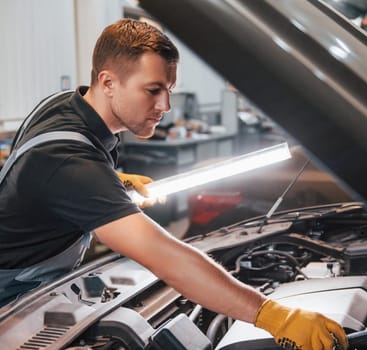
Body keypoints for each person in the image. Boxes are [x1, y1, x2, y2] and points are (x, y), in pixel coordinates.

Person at [0, 19, 348, 350]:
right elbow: (163, 255)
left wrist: (109, 180)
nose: (165, 106)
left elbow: (39, 175)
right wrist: (272, 315)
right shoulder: (68, 162)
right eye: (153, 91)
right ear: (107, 83)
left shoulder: (65, 106)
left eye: (168, 90)